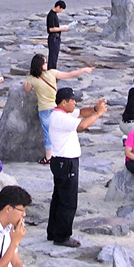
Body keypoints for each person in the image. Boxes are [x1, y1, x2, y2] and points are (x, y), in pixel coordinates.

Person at [47, 87, 107, 247]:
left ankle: (53, 231)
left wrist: (95, 108)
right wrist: (98, 114)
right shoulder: (60, 118)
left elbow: (81, 113)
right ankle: (63, 236)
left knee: (58, 198)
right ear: (64, 102)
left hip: (62, 161)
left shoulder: (64, 113)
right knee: (68, 200)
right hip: (66, 162)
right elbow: (81, 125)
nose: (75, 103)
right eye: (72, 100)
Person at [23, 54, 94, 165]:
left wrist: (25, 83)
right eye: (44, 62)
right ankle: (56, 153)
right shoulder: (52, 73)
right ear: (40, 65)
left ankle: (48, 157)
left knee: (47, 134)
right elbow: (69, 74)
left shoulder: (31, 79)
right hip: (55, 108)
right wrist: (83, 70)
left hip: (43, 109)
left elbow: (27, 89)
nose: (47, 64)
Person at [46, 0, 69, 70]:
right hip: (53, 38)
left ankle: (53, 70)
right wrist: (62, 29)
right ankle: (51, 70)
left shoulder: (54, 15)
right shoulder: (51, 15)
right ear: (58, 7)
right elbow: (51, 29)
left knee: (55, 55)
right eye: (61, 9)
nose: (61, 11)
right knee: (53, 56)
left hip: (56, 37)